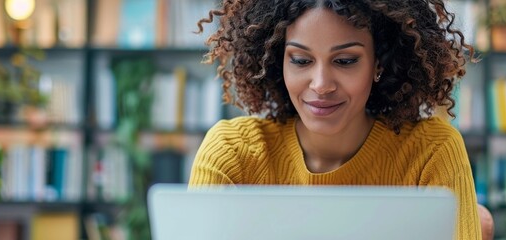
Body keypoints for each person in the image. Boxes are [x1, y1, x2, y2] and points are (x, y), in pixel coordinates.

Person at [189, 0, 480, 239]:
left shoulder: (432, 152)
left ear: (378, 63)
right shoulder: (232, 153)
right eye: (301, 61)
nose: (321, 85)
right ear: (279, 62)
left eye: (345, 61)